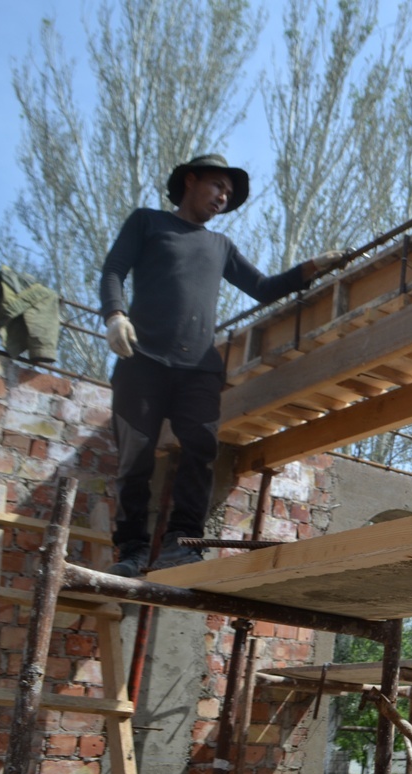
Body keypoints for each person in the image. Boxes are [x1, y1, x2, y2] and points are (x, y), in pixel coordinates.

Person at [100, 153, 345, 577]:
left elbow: (263, 288)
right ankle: (132, 550)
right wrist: (114, 315)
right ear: (191, 181)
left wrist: (312, 267)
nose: (223, 197)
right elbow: (113, 269)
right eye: (217, 186)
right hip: (142, 361)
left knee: (201, 449)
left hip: (198, 367)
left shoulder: (220, 246)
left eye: (228, 194)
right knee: (135, 459)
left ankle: (182, 542)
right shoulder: (148, 222)